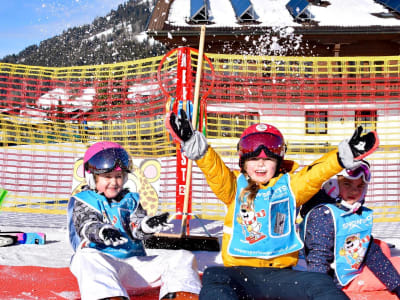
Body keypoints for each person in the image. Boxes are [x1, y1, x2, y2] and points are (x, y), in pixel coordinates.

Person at [166, 109, 378, 300]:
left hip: (282, 275)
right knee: (215, 277)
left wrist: (340, 158)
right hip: (239, 274)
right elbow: (215, 170)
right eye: (253, 159)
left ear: (277, 162)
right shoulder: (233, 187)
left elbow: (314, 175)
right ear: (243, 162)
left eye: (267, 160)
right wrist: (200, 150)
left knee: (320, 283)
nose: (260, 164)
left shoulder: (291, 187)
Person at [67, 141, 201, 300]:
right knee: (85, 257)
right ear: (91, 177)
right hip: (103, 265)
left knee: (182, 256)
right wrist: (102, 231)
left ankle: (180, 294)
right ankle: (108, 296)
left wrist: (146, 225)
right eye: (107, 177)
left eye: (118, 176)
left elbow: (136, 225)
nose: (114, 182)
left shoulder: (130, 200)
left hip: (134, 267)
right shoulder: (84, 201)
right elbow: (86, 224)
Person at [300, 160, 400, 298]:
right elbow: (318, 261)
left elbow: (370, 252)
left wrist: (396, 284)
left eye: (360, 186)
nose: (354, 191)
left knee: (381, 248)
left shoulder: (354, 211)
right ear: (333, 185)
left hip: (347, 270)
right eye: (347, 184)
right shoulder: (324, 214)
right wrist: (322, 293)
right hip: (328, 281)